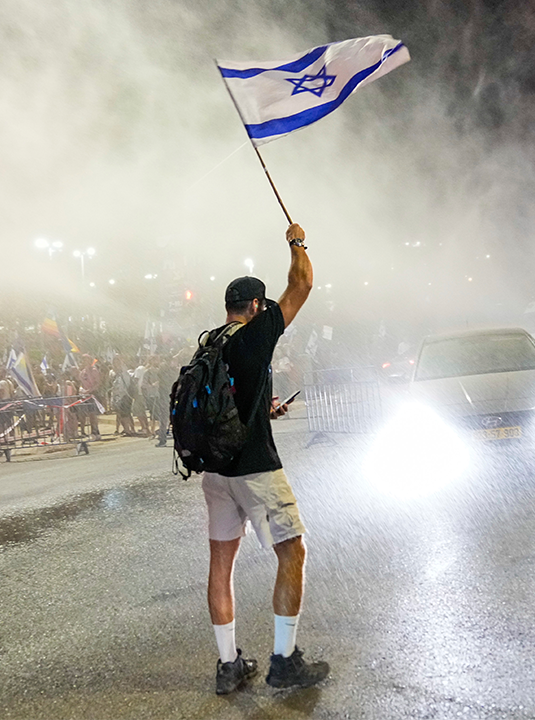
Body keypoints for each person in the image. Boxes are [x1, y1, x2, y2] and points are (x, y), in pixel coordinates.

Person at [199, 222, 326, 694]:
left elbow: (226, 398)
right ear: (255, 306)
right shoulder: (255, 334)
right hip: (255, 469)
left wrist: (264, 406)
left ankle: (228, 665)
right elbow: (302, 285)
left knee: (221, 564)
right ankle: (284, 660)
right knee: (292, 550)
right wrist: (296, 242)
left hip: (216, 473)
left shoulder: (212, 341)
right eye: (262, 306)